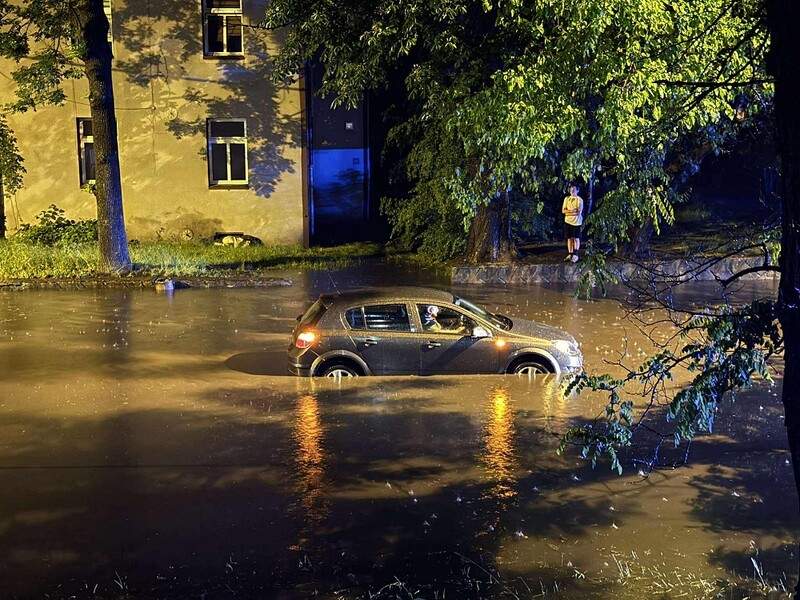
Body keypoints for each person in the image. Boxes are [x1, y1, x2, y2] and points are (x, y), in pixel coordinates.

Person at [562, 183, 584, 263]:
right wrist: (572, 211)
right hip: (568, 221)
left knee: (576, 238)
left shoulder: (579, 200)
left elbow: (579, 212)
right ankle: (570, 254)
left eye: (574, 189)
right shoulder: (566, 199)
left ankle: (575, 255)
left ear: (577, 190)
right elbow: (564, 211)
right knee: (569, 238)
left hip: (577, 222)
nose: (572, 191)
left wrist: (569, 212)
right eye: (571, 189)